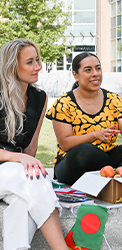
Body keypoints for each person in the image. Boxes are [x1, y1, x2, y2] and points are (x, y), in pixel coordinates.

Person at [46, 52, 122, 185]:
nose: (95, 73)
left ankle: (116, 175)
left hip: (107, 157)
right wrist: (94, 135)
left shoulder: (113, 99)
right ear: (75, 75)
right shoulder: (64, 103)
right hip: (74, 163)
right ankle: (117, 174)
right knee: (85, 150)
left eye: (98, 68)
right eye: (88, 70)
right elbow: (65, 143)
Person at [0, 38, 68, 250]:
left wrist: (25, 160)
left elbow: (30, 148)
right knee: (32, 177)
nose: (38, 67)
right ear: (12, 66)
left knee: (23, 202)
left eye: (37, 60)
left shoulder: (40, 98)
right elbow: (23, 155)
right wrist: (17, 157)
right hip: (9, 168)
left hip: (13, 174)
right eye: (30, 62)